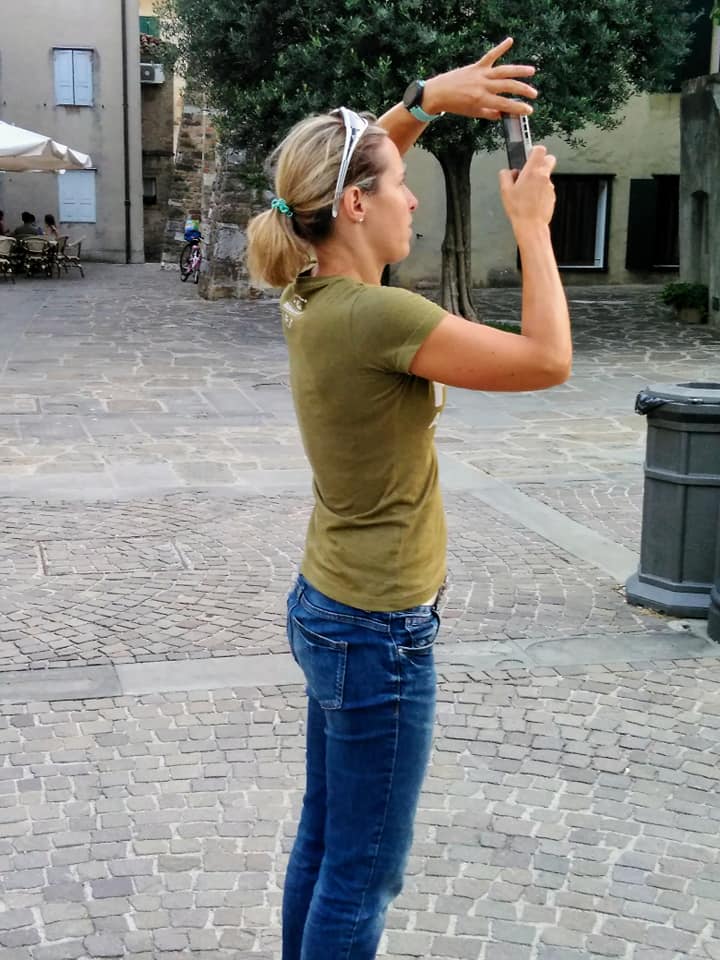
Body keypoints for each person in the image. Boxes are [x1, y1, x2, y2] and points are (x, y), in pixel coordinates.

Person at [246, 37, 571, 960]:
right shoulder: (381, 316)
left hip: (328, 605)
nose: (414, 196)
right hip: (377, 628)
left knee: (325, 842)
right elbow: (548, 360)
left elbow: (349, 170)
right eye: (399, 185)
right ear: (355, 206)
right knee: (363, 874)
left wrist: (424, 100)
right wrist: (533, 224)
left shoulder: (310, 290)